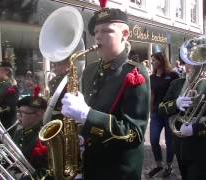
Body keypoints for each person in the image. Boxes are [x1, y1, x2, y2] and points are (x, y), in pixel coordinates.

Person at [60, 6, 150, 180]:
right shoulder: (89, 70)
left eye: (106, 30)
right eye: (95, 32)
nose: (98, 36)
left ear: (125, 34)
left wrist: (87, 115)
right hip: (90, 163)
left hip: (118, 170)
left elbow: (134, 134)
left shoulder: (135, 74)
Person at [159, 58, 206, 180]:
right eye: (189, 61)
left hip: (202, 147)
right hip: (180, 146)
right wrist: (175, 104)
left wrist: (195, 129)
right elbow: (161, 108)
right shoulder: (176, 84)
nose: (192, 66)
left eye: (197, 62)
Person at [148, 52, 179, 178]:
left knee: (170, 141)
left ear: (161, 61)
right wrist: (150, 111)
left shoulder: (172, 75)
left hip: (170, 114)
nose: (153, 62)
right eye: (152, 60)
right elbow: (152, 95)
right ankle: (159, 164)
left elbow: (178, 91)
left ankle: (169, 165)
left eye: (155, 60)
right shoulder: (152, 77)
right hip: (156, 113)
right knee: (154, 139)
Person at [13, 92, 48, 171]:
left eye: (22, 113)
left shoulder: (44, 138)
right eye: (18, 112)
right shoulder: (18, 133)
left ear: (39, 114)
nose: (18, 116)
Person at [0, 61, 19, 133]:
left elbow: (10, 107)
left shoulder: (11, 86)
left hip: (5, 124)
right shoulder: (1, 85)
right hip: (0, 123)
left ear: (7, 71)